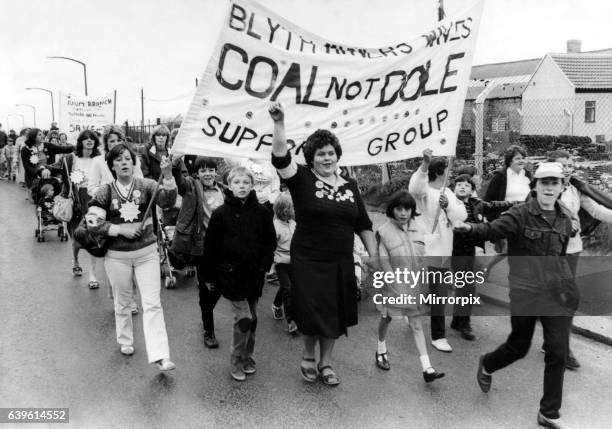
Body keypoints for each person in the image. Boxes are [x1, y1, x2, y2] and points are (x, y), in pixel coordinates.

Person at [454, 162, 577, 429]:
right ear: (535, 185)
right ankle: (488, 363)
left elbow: (561, 257)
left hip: (554, 294)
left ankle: (549, 413)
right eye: (544, 182)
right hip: (525, 292)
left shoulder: (565, 220)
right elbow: (494, 229)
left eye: (554, 183)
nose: (549, 187)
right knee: (518, 347)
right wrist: (470, 229)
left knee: (558, 351)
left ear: (561, 187)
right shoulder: (520, 214)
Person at [269, 102, 378, 386]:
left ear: (337, 155)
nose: (327, 158)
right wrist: (279, 123)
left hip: (341, 259)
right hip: (308, 258)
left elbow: (363, 223)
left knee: (334, 311)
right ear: (312, 157)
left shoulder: (350, 185)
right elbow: (281, 158)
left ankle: (326, 362)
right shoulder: (302, 178)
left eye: (330, 153)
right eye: (321, 154)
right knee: (312, 308)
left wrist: (374, 256)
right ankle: (307, 355)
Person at [86, 142, 177, 371]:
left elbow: (168, 202)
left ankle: (160, 355)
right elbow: (92, 222)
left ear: (133, 162)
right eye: (118, 159)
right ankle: (125, 339)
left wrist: (167, 176)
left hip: (147, 254)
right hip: (117, 257)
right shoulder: (105, 191)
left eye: (128, 158)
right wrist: (120, 230)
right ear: (112, 166)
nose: (124, 162)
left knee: (152, 304)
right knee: (123, 301)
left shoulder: (147, 185)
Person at [201, 166, 276, 381]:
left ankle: (247, 356)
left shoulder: (262, 212)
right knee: (244, 318)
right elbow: (210, 247)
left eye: (245, 182)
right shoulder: (220, 214)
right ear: (229, 186)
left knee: (254, 319)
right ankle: (235, 360)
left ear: (252, 185)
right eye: (237, 183)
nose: (241, 186)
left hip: (254, 274)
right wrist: (209, 277)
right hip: (230, 275)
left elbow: (269, 241)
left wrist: (264, 265)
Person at [547, 150, 612, 370]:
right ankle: (562, 349)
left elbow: (597, 210)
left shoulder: (576, 189)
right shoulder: (545, 190)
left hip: (572, 250)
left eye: (570, 165)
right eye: (562, 164)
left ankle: (553, 341)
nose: (567, 168)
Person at [374, 190, 445, 383]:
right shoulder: (383, 231)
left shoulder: (420, 227)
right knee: (387, 318)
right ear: (392, 209)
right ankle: (381, 348)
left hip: (415, 285)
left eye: (407, 209)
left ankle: (427, 368)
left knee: (416, 324)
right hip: (394, 285)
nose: (403, 213)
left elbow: (428, 254)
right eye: (399, 209)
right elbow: (384, 261)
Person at [408, 148, 467, 353]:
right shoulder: (423, 191)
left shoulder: (447, 192)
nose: (450, 173)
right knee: (427, 289)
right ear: (440, 172)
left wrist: (449, 205)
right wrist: (424, 164)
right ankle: (427, 326)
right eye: (448, 170)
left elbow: (461, 215)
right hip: (425, 246)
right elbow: (415, 186)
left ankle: (436, 334)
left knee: (437, 292)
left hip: (443, 248)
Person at [450, 174, 514, 340]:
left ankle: (458, 320)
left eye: (466, 185)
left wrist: (515, 204)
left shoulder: (476, 204)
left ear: (472, 190)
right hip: (455, 251)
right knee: (467, 288)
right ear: (453, 189)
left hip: (471, 250)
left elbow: (494, 206)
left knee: (464, 287)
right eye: (459, 184)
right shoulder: (449, 204)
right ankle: (464, 324)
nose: (462, 187)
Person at [170, 156, 224, 348]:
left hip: (223, 248)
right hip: (201, 247)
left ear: (216, 172)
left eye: (211, 169)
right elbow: (180, 183)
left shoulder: (224, 190)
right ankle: (208, 330)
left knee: (220, 286)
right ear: (197, 173)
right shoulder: (192, 187)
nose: (207, 173)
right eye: (203, 170)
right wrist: (175, 164)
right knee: (205, 288)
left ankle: (205, 306)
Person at [52, 130, 103, 287]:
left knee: (93, 237)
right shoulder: (70, 159)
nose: (89, 141)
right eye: (86, 139)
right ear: (80, 142)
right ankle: (76, 260)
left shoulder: (100, 159)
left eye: (92, 139)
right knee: (76, 238)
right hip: (75, 200)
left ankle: (93, 275)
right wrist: (43, 169)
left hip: (93, 199)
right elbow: (55, 167)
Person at [483, 145, 532, 275]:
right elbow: (489, 200)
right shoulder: (500, 176)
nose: (522, 161)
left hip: (525, 218)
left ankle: (523, 276)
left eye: (523, 158)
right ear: (510, 160)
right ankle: (488, 268)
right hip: (506, 218)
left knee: (522, 249)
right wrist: (492, 221)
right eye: (518, 158)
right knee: (507, 250)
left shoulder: (527, 175)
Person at [271, 191, 298, 335]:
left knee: (286, 287)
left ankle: (276, 305)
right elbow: (270, 246)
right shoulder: (274, 226)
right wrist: (271, 265)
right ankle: (291, 321)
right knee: (288, 290)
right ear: (278, 210)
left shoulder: (294, 223)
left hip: (295, 262)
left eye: (290, 208)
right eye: (284, 209)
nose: (287, 212)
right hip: (281, 262)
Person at [21, 128, 74, 198]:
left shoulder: (48, 146)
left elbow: (64, 149)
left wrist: (78, 146)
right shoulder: (25, 150)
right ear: (33, 137)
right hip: (34, 178)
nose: (43, 136)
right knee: (40, 200)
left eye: (42, 134)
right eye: (39, 135)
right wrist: (40, 172)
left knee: (55, 195)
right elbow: (27, 167)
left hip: (50, 176)